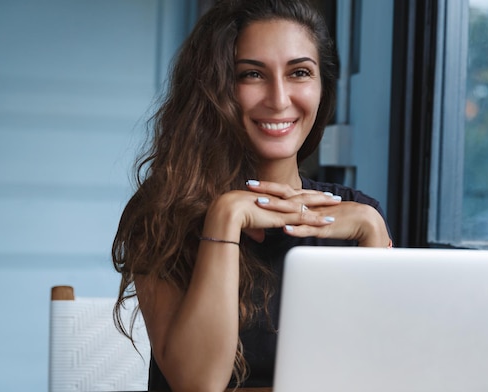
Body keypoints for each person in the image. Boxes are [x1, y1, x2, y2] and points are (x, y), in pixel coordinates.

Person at [112, 0, 392, 390]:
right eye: (252, 75)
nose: (279, 99)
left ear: (322, 87)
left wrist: (374, 231)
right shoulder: (162, 212)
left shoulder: (358, 218)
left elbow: (382, 374)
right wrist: (226, 216)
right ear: (215, 88)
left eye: (299, 72)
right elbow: (197, 384)